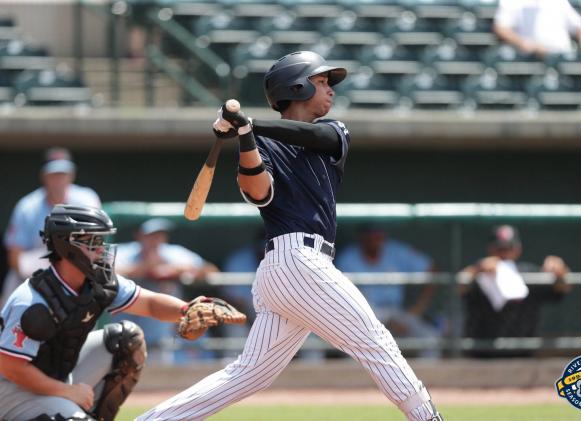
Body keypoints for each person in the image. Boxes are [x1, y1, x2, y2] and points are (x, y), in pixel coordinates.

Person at [137, 51, 444, 421]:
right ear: (296, 85)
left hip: (294, 271)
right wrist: (246, 138)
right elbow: (259, 193)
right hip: (295, 261)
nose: (330, 89)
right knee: (375, 341)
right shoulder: (262, 145)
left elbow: (307, 135)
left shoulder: (333, 132)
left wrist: (247, 124)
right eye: (321, 81)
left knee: (250, 374)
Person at [0, 204, 243, 420]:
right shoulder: (32, 300)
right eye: (93, 242)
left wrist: (185, 309)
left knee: (126, 340)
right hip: (12, 392)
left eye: (101, 241)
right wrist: (66, 391)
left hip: (57, 376)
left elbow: (149, 303)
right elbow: (10, 366)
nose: (101, 250)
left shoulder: (96, 281)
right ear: (66, 245)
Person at [2, 147, 101, 309]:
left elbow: (94, 244)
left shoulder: (86, 199)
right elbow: (15, 257)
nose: (58, 179)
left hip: (74, 261)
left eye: (62, 174)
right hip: (37, 266)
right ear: (44, 176)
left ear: (71, 175)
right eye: (53, 174)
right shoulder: (27, 206)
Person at [111, 218, 219, 357]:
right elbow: (105, 274)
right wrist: (146, 269)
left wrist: (178, 270)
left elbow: (210, 270)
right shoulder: (125, 251)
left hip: (162, 327)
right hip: (126, 321)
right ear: (139, 235)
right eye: (151, 235)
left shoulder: (174, 253)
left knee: (161, 361)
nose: (156, 239)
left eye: (160, 235)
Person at [459, 224, 571, 358]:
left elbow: (562, 288)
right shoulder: (481, 274)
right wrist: (477, 268)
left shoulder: (528, 273)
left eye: (509, 248)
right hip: (482, 354)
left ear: (518, 250)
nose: (504, 253)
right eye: (500, 248)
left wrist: (560, 270)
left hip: (522, 353)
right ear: (490, 249)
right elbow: (459, 286)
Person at [336, 224, 442, 358]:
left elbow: (432, 269)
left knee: (431, 338)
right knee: (354, 343)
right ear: (361, 238)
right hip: (364, 314)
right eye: (369, 236)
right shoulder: (347, 258)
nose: (374, 240)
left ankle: (429, 377)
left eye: (377, 236)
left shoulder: (395, 251)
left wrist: (416, 310)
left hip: (396, 311)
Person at [493, 0, 581, 60]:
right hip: (532, 58)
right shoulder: (513, 2)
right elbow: (501, 28)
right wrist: (525, 44)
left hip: (563, 57)